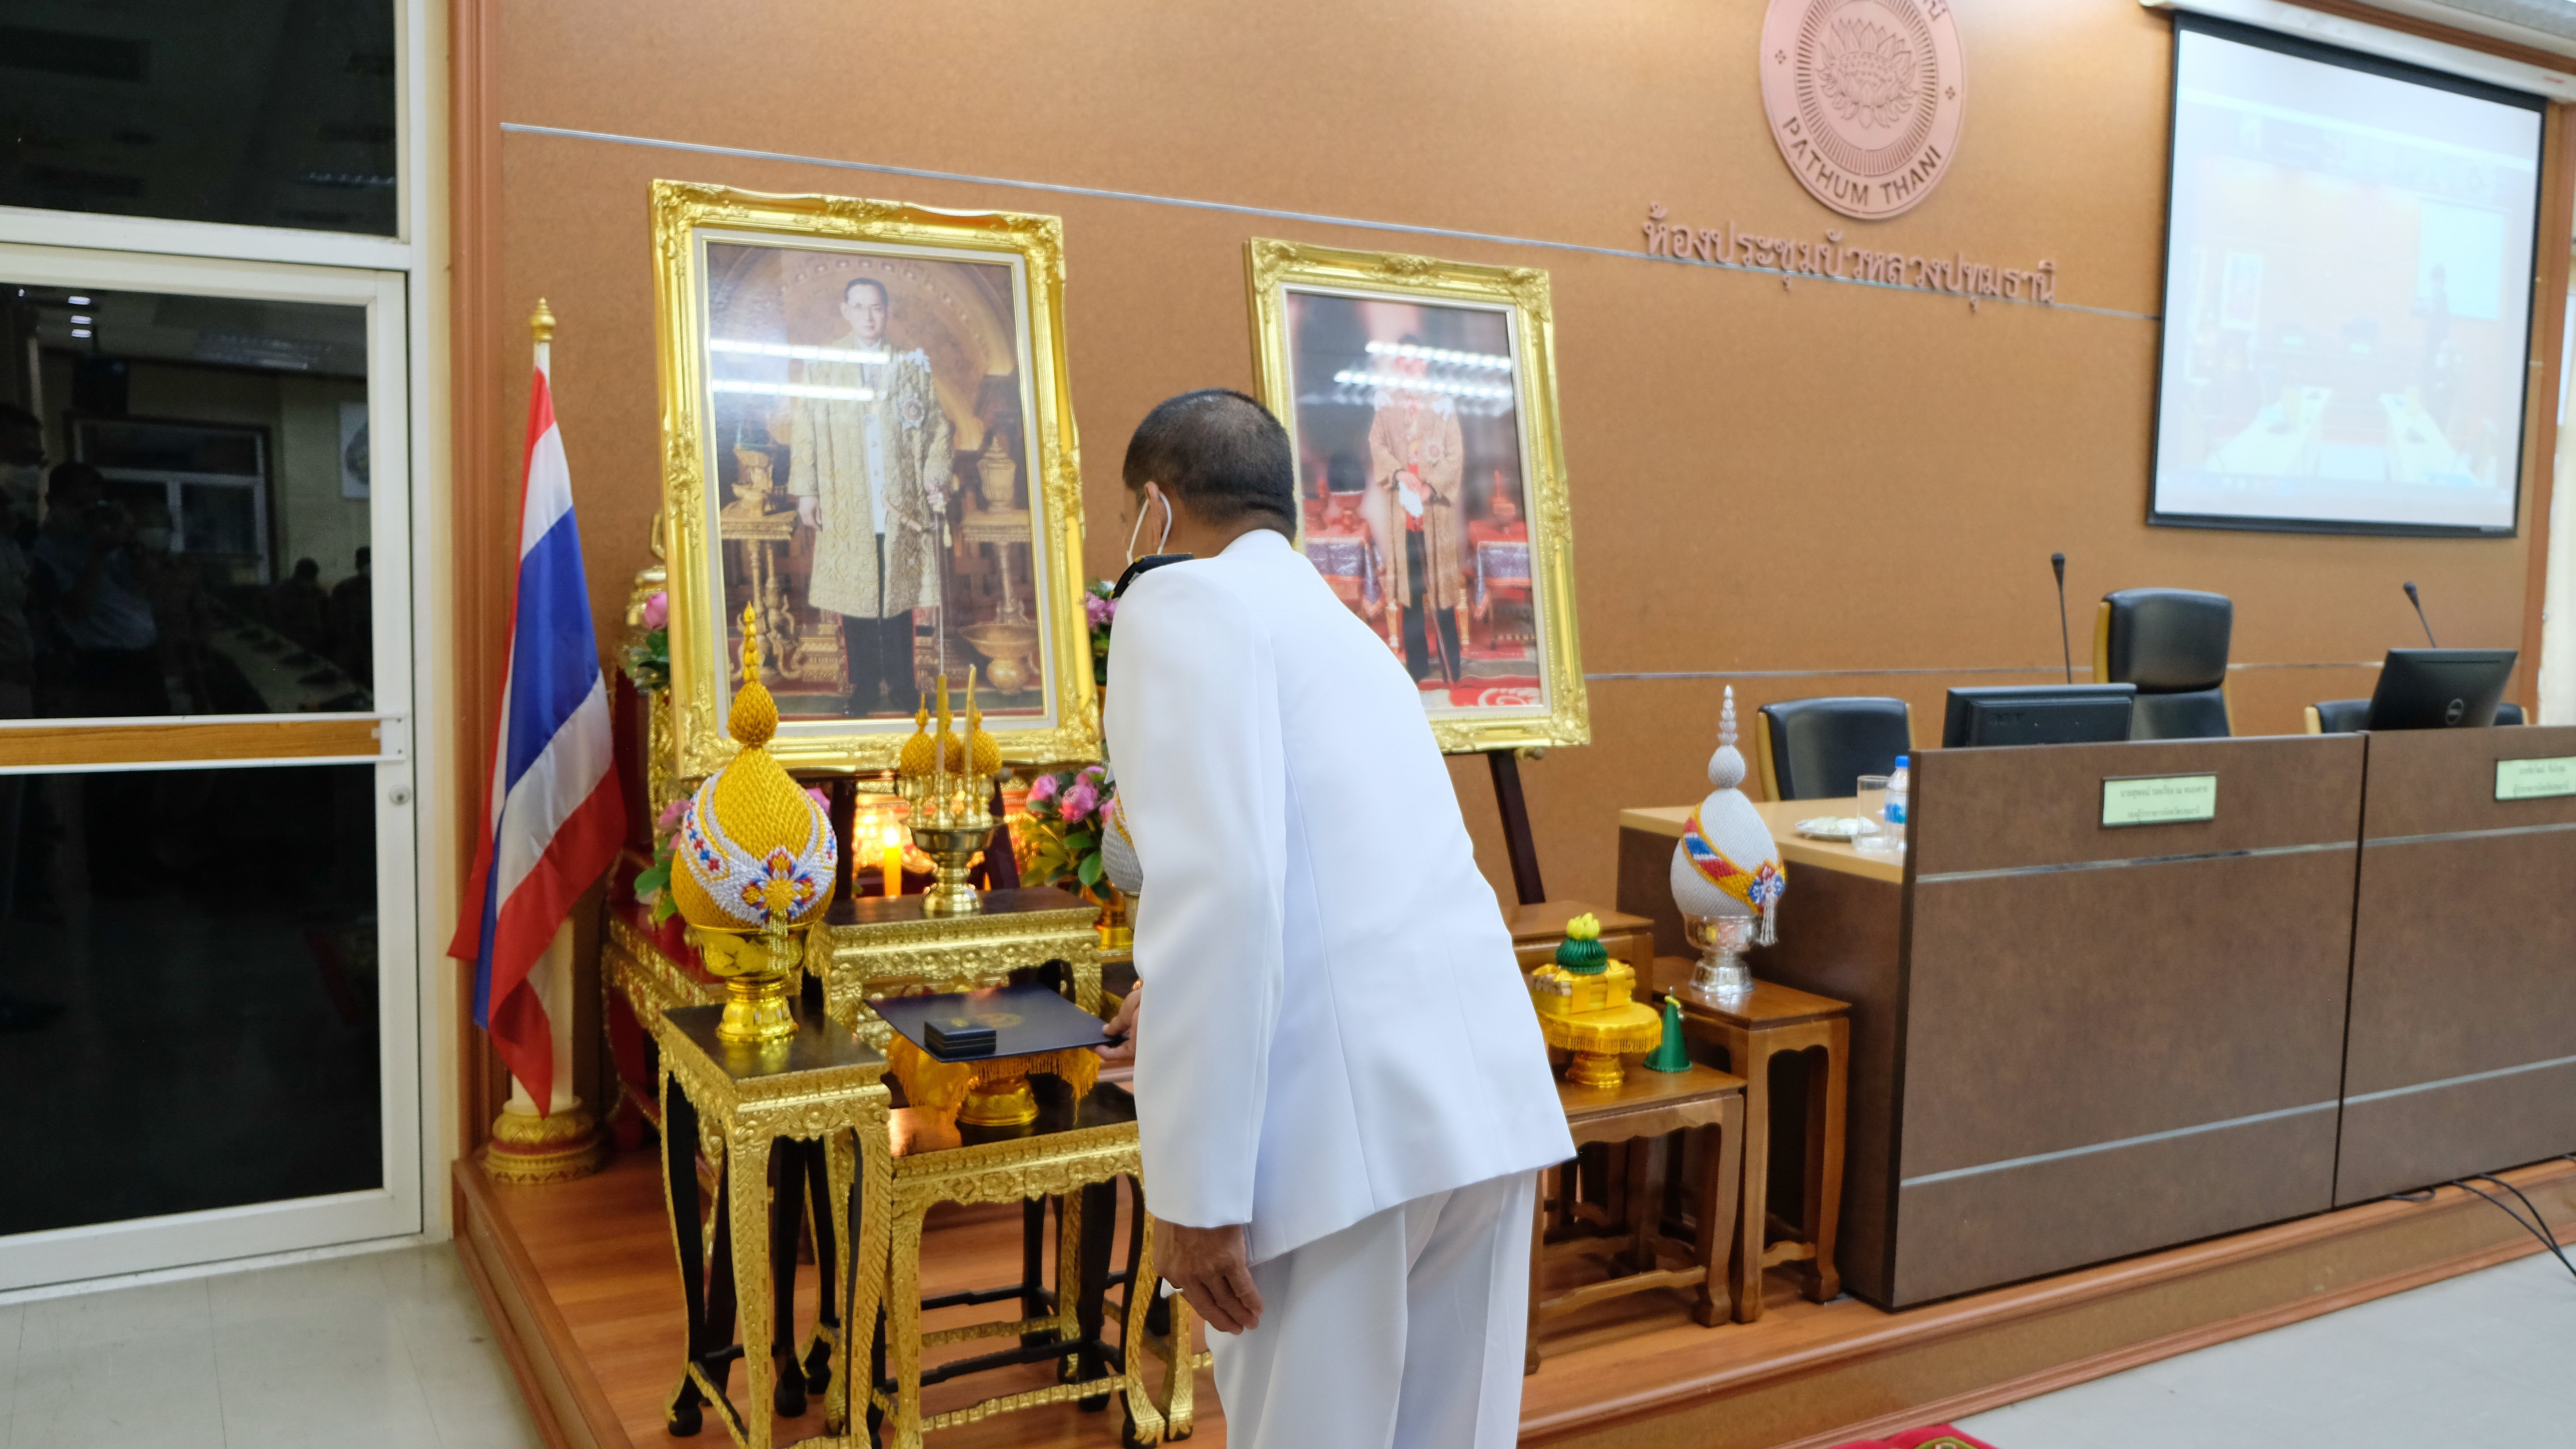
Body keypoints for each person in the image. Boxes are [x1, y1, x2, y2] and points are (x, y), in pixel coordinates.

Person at [1097, 389, 1570, 1449]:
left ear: (1157, 509)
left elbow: (1224, 890)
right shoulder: (1349, 633)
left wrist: (1199, 1188)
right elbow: (1337, 871)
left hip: (1336, 1138)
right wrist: (1163, 993)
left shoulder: (1178, 605)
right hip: (1476, 1103)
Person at [786, 276, 954, 715]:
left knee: (896, 594)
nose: (868, 317)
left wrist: (934, 478)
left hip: (901, 503)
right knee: (859, 596)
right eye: (859, 308)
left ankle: (901, 684)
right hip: (848, 499)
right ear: (845, 310)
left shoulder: (913, 366)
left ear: (887, 310)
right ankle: (862, 685)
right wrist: (807, 491)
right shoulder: (823, 366)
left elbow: (936, 427)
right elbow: (805, 430)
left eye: (876, 307)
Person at [1365, 337, 1467, 688]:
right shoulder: (1387, 407)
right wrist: (1397, 473)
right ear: (1399, 366)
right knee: (1410, 598)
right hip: (1403, 515)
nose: (1411, 369)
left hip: (1435, 514)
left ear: (1425, 365)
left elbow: (1455, 455)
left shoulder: (1442, 406)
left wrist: (1429, 487)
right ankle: (1417, 669)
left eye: (1417, 363)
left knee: (1441, 592)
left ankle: (1452, 665)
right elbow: (1376, 444)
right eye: (1404, 364)